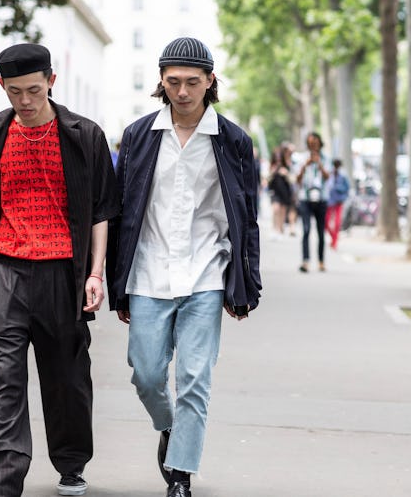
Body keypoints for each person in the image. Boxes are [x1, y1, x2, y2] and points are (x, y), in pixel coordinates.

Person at [0, 43, 119, 497]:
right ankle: (3, 483)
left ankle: (70, 463)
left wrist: (95, 272)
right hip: (3, 270)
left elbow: (102, 209)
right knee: (5, 378)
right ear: (1, 86)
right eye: (14, 92)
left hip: (62, 273)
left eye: (33, 90)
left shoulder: (85, 135)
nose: (25, 101)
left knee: (66, 376)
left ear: (51, 81)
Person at [106, 37, 262, 497]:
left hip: (206, 272)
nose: (183, 91)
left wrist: (247, 283)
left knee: (195, 378)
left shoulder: (233, 141)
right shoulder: (138, 136)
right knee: (147, 372)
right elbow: (120, 209)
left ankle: (180, 475)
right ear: (161, 81)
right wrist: (117, 284)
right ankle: (169, 429)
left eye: (193, 82)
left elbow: (245, 217)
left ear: (210, 81)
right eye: (173, 82)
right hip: (148, 271)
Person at [295, 131, 331, 272]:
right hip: (306, 198)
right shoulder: (303, 158)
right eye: (310, 144)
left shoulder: (326, 158)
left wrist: (319, 164)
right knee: (306, 229)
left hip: (321, 198)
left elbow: (328, 177)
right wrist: (305, 165)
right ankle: (305, 261)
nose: (313, 147)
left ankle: (321, 261)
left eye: (315, 144)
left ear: (319, 144)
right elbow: (297, 180)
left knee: (321, 231)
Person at [267, 145, 294, 238]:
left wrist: (286, 174)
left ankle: (280, 227)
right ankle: (275, 228)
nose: (278, 159)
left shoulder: (287, 166)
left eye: (279, 157)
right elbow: (266, 180)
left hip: (285, 191)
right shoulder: (272, 166)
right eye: (276, 157)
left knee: (282, 211)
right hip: (275, 191)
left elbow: (292, 180)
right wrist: (272, 172)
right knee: (276, 209)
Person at [325, 158, 350, 249]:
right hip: (329, 201)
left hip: (339, 201)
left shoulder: (343, 176)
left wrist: (337, 188)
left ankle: (335, 242)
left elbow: (347, 188)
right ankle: (333, 238)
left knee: (337, 223)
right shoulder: (329, 174)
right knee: (326, 222)